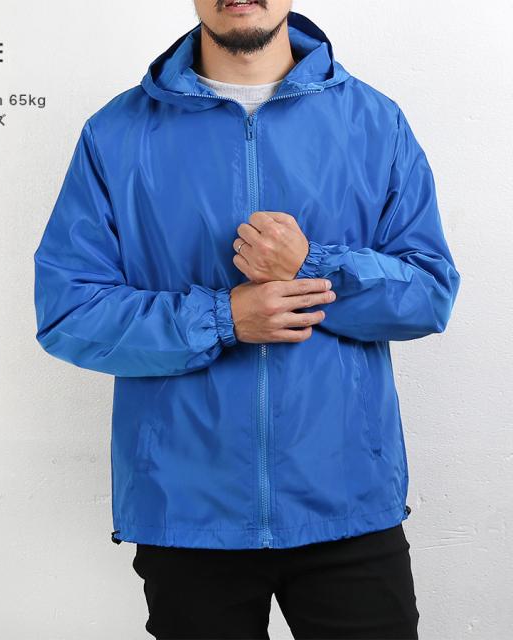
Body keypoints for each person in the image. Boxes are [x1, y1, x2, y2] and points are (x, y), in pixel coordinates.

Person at [33, 1, 461, 638]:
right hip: (189, 511)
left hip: (346, 500)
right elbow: (68, 312)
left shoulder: (374, 122)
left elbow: (429, 294)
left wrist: (310, 267)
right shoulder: (116, 133)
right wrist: (222, 318)